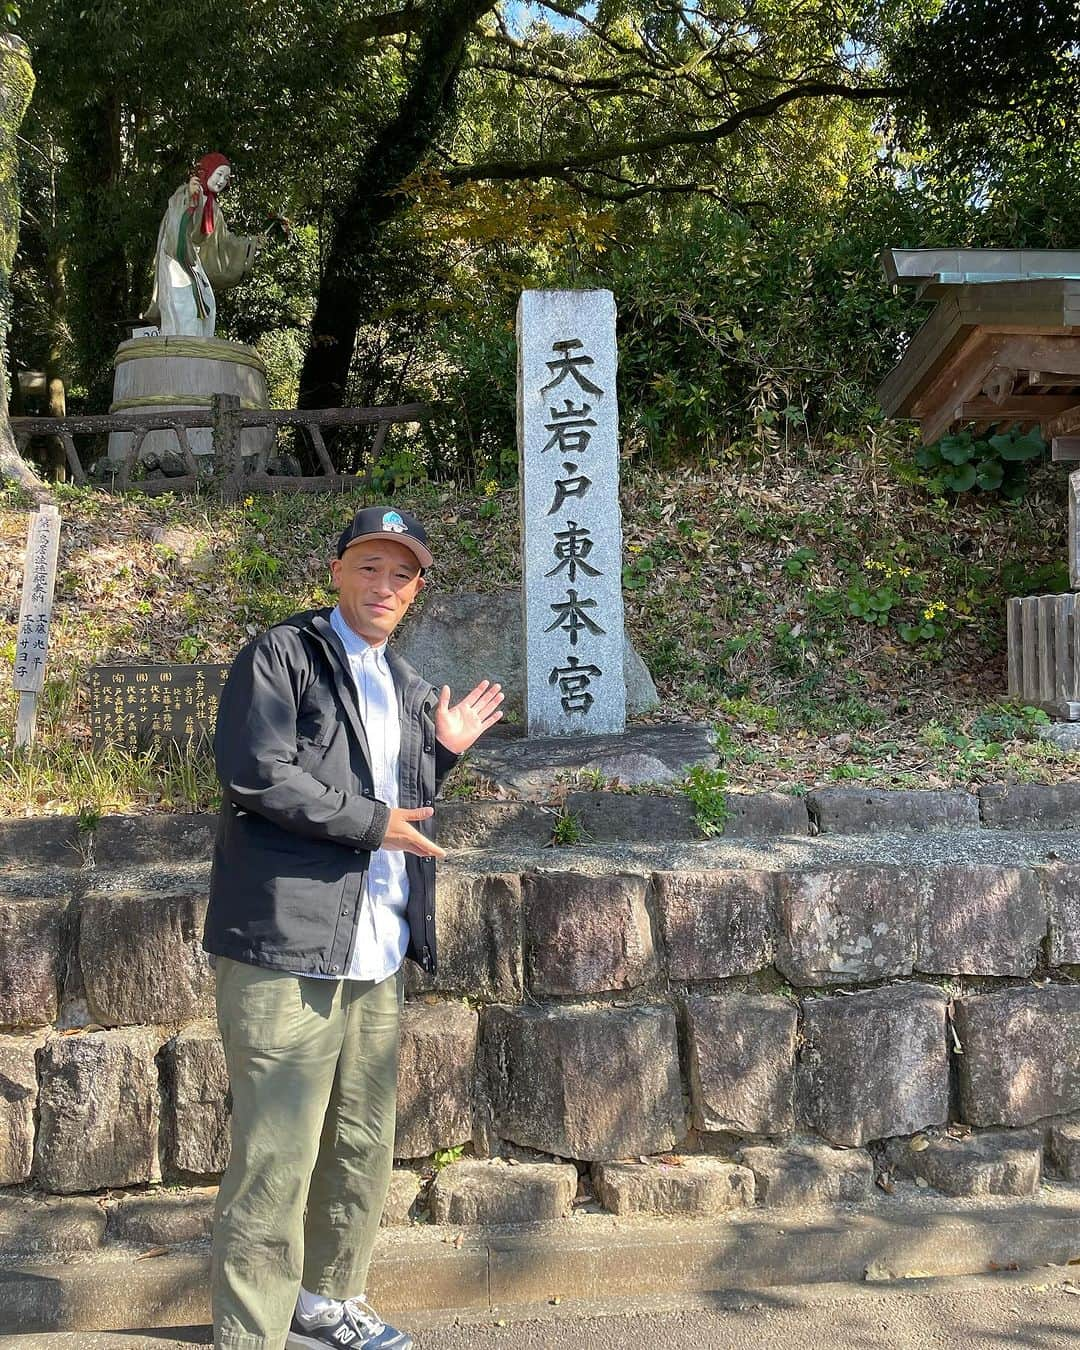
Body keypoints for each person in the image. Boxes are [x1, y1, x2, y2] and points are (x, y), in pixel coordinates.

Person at [203, 505, 503, 1350]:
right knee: (276, 1153)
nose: (384, 585)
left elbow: (399, 800)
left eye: (401, 574)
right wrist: (375, 824)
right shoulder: (282, 656)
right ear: (337, 571)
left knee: (362, 1143)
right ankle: (251, 1333)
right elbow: (257, 774)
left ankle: (325, 1302)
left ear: (415, 592)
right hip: (284, 943)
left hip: (376, 947)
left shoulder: (406, 687)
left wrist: (439, 750)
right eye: (369, 567)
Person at [145, 152, 264, 337]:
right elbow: (175, 222)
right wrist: (191, 201)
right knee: (183, 306)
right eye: (219, 174)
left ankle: (197, 352)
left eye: (226, 177)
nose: (222, 180)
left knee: (206, 305)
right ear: (207, 172)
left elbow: (225, 241)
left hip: (194, 262)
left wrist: (250, 244)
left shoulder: (214, 208)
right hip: (176, 257)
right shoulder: (188, 191)